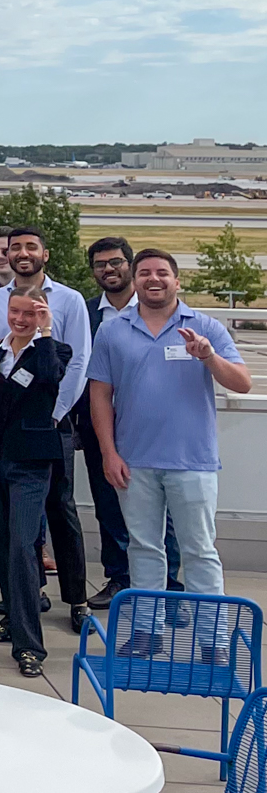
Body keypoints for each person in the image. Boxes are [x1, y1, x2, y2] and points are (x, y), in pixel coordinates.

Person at [90, 248, 250, 657]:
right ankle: (147, 632)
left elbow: (243, 383)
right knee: (143, 549)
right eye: (145, 273)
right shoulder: (113, 330)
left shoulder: (206, 326)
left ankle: (212, 640)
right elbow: (100, 395)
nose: (153, 279)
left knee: (199, 552)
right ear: (135, 280)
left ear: (177, 281)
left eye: (162, 273)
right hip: (134, 462)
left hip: (191, 463)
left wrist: (208, 357)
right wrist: (109, 452)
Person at [0, 226, 91, 618]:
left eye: (30, 247)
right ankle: (26, 593)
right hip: (7, 430)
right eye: (15, 247)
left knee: (60, 509)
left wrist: (52, 416)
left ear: (45, 254)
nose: (22, 253)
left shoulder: (69, 301)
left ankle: (76, 598)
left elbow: (76, 363)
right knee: (17, 525)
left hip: (52, 425)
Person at [0, 291, 74, 677]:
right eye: (15, 311)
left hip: (31, 462)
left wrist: (45, 333)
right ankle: (12, 621)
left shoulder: (54, 350)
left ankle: (30, 646)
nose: (21, 319)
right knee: (2, 542)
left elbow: (49, 380)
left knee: (22, 546)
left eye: (31, 313)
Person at [74, 237, 180, 608]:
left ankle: (169, 589)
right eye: (101, 264)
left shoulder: (159, 309)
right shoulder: (86, 313)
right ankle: (120, 578)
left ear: (130, 267)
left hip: (151, 427)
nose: (109, 269)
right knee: (108, 504)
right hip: (99, 425)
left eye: (116, 262)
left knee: (160, 511)